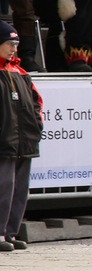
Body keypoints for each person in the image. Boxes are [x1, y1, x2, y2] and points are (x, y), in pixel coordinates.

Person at [0, 21, 42, 251]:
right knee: (3, 187)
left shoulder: (20, 72)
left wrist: (36, 127)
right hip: (4, 142)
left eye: (16, 43)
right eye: (9, 43)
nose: (14, 48)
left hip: (24, 141)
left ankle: (10, 233)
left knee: (19, 189)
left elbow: (37, 103)